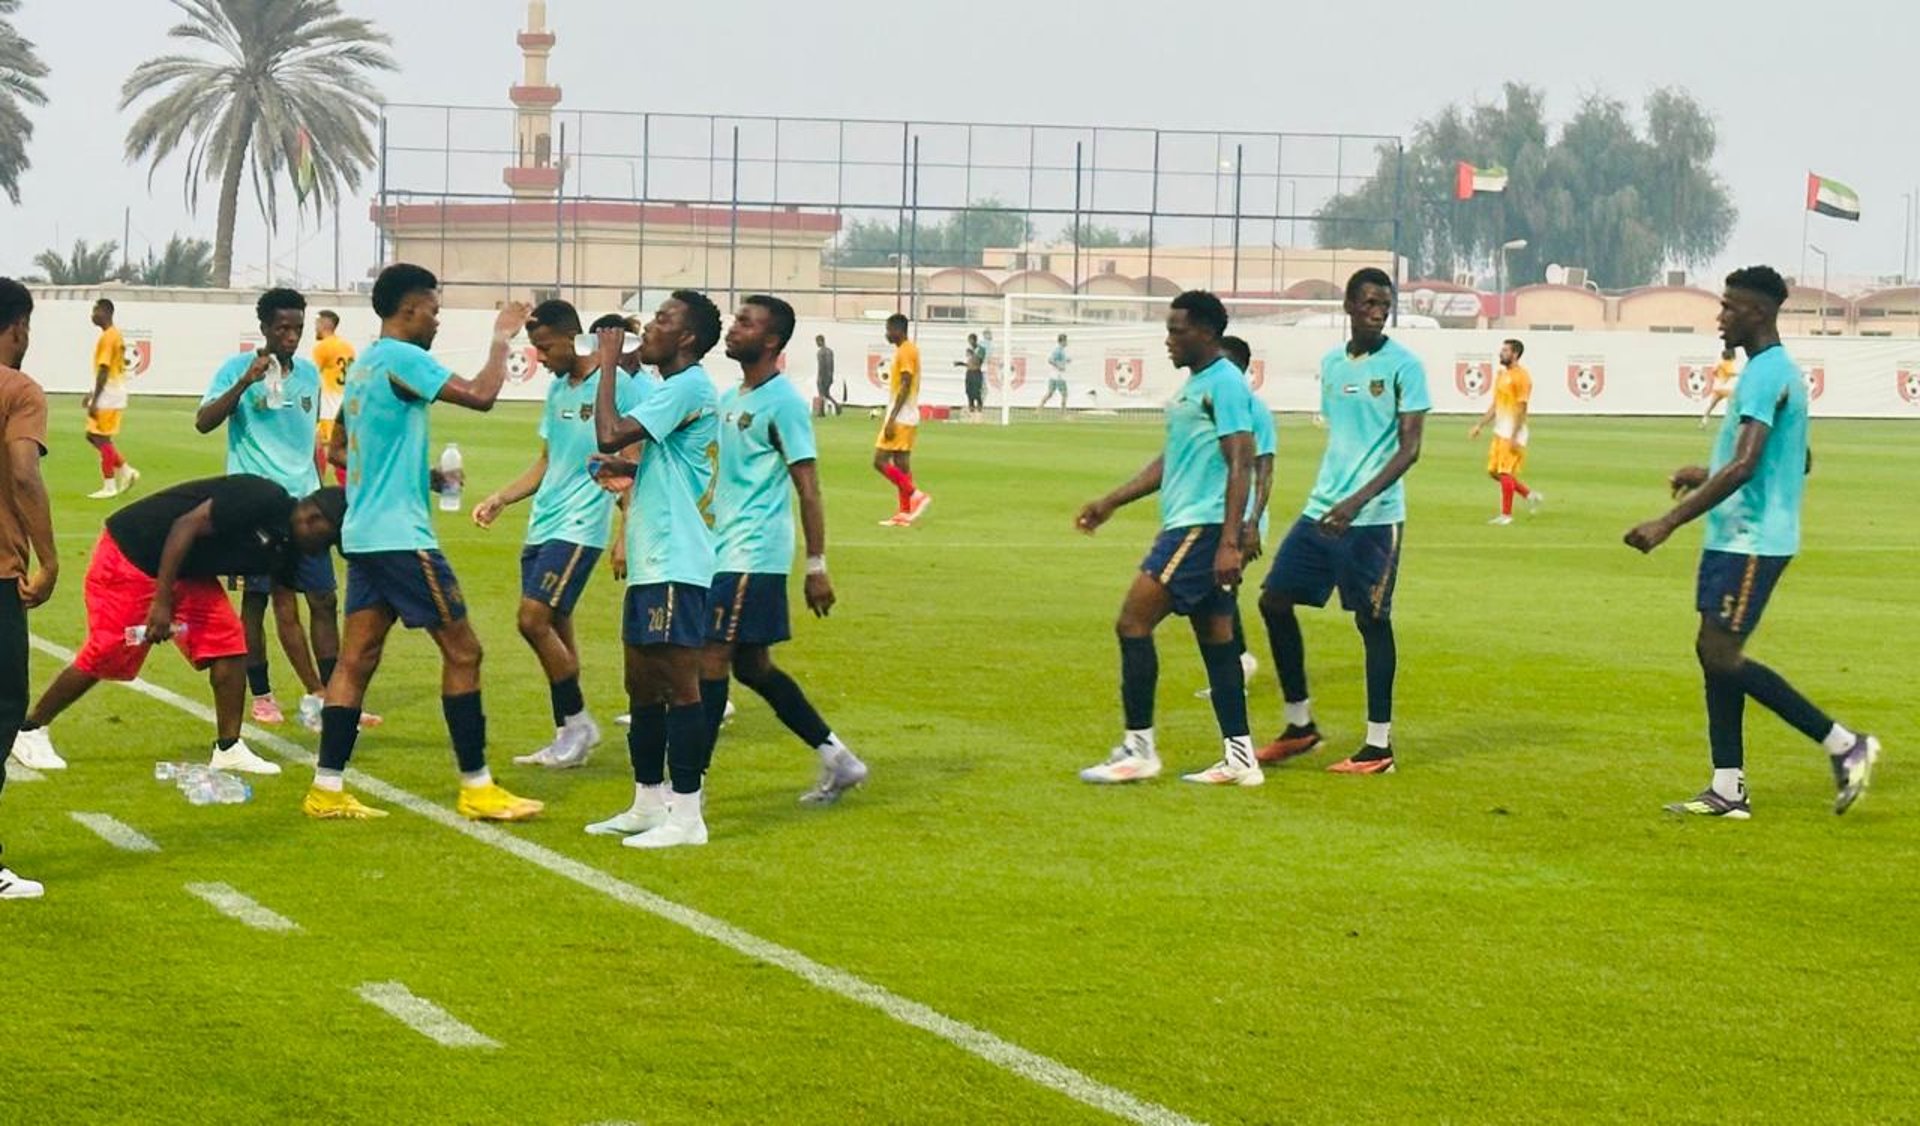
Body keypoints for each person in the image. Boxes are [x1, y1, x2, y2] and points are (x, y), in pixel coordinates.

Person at [1625, 265, 1879, 818]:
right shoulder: (1775, 371)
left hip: (1753, 539)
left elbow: (1745, 467)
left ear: (1757, 313)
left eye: (1729, 307)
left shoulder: (1766, 373)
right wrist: (1705, 469)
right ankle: (1727, 787)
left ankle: (1845, 744)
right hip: (1737, 536)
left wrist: (1666, 524)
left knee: (1721, 654)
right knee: (1711, 654)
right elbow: (1796, 457)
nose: (1720, 318)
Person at [303, 263, 542, 822]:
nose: (437, 320)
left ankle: (326, 788)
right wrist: (501, 337)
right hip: (400, 538)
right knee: (465, 651)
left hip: (362, 532)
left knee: (356, 660)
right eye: (433, 310)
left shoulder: (364, 365)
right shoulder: (404, 358)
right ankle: (477, 785)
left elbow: (340, 451)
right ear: (409, 309)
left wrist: (424, 478)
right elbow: (482, 395)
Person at [11, 475, 343, 779]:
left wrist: (316, 689)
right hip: (135, 551)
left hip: (187, 571)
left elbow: (289, 615)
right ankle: (30, 729)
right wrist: (162, 602)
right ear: (313, 519)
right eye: (328, 539)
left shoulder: (288, 551)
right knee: (110, 649)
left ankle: (229, 749)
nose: (324, 550)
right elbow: (185, 526)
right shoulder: (263, 496)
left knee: (228, 644)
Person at [1075, 290, 1259, 786]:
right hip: (1192, 524)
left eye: (1177, 330)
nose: (1168, 339)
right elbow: (1171, 460)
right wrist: (1112, 500)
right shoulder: (1194, 386)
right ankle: (1241, 758)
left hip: (1199, 529)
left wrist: (1229, 541)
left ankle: (1138, 749)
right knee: (1217, 640)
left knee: (1132, 623)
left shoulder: (1225, 383)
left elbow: (1241, 460)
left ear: (1205, 333)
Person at [1256, 267, 1429, 775]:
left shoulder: (1405, 365)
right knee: (1273, 601)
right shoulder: (1332, 364)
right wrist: (1337, 500)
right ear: (1349, 307)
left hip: (1373, 517)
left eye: (1386, 304)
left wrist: (1356, 502)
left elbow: (1410, 448)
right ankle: (1300, 724)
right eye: (1370, 302)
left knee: (1372, 620)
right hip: (1321, 509)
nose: (1379, 311)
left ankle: (1379, 747)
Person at [701, 295, 869, 804]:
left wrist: (817, 565)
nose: (733, 329)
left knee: (708, 661)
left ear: (770, 340)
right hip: (723, 549)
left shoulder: (784, 403)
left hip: (752, 553)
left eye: (745, 324)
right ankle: (839, 758)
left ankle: (688, 789)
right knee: (752, 667)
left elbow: (809, 488)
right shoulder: (732, 399)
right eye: (735, 320)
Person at [583, 289, 722, 850]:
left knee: (678, 685)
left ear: (686, 338)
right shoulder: (674, 390)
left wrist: (611, 362)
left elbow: (610, 430)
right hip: (652, 555)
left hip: (677, 557)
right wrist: (622, 470)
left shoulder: (689, 384)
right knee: (640, 682)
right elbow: (640, 454)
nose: (651, 327)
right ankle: (647, 803)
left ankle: (687, 815)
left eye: (663, 320)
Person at [196, 288, 354, 734]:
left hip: (304, 509)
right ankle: (263, 695)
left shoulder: (307, 375)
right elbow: (204, 421)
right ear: (263, 327)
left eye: (297, 329)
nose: (290, 336)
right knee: (257, 601)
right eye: (282, 328)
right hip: (253, 509)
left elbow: (308, 442)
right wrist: (245, 381)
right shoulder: (235, 368)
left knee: (323, 600)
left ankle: (331, 695)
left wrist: (321, 491)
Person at [470, 299, 614, 769]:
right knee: (555, 627)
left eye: (546, 347)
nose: (541, 359)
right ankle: (567, 735)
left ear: (572, 338)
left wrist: (626, 531)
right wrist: (501, 498)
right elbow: (547, 461)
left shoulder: (616, 386)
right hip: (545, 523)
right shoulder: (558, 392)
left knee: (532, 619)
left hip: (580, 527)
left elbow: (634, 457)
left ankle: (580, 724)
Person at [0, 278, 57, 900]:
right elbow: (22, 470)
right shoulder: (19, 390)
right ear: (18, 326)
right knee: (1, 713)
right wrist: (48, 559)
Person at [1468, 338, 1543, 525]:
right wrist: (1480, 425)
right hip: (1500, 430)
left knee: (1505, 473)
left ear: (1515, 354)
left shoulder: (1522, 377)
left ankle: (1506, 515)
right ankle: (1530, 495)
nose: (1501, 353)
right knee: (1494, 472)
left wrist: (1515, 435)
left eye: (1505, 351)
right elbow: (1495, 405)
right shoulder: (1501, 375)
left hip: (1512, 431)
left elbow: (1521, 408)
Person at [874, 314, 930, 526]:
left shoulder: (906, 351)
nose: (887, 334)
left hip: (901, 416)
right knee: (901, 465)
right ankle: (904, 514)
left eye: (888, 330)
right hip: (908, 415)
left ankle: (916, 495)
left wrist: (891, 418)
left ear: (898, 330)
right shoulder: (907, 350)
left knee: (879, 461)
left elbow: (905, 384)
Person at [83, 298, 138, 500]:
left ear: (106, 312)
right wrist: (91, 394)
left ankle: (110, 485)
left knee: (100, 437)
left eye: (96, 310)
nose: (93, 315)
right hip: (111, 390)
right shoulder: (113, 335)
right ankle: (125, 470)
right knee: (92, 435)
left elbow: (105, 369)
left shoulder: (108, 337)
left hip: (109, 393)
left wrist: (95, 400)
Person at [312, 309, 354, 485]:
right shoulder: (347, 347)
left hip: (330, 409)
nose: (315, 327)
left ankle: (322, 488)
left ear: (323, 324)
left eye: (316, 324)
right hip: (346, 408)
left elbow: (312, 377)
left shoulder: (322, 347)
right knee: (339, 450)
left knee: (327, 451)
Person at [1699, 347, 1738, 428]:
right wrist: (1739, 374)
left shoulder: (1720, 363)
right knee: (1731, 405)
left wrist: (1719, 377)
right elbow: (1730, 372)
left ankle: (1704, 419)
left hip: (1717, 387)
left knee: (1712, 405)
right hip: (1727, 388)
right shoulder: (1728, 363)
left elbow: (1714, 371)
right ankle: (1730, 423)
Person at [954, 332, 987, 419]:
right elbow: (969, 363)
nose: (970, 342)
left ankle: (979, 411)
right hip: (969, 373)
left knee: (977, 392)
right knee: (969, 392)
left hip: (976, 372)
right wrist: (960, 363)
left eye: (971, 340)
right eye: (969, 341)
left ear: (975, 340)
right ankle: (971, 412)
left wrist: (972, 353)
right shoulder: (969, 350)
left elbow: (978, 361)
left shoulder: (981, 349)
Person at [1040, 332, 1071, 415]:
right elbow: (1050, 360)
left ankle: (1039, 408)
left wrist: (1066, 360)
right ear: (1062, 341)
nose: (1067, 342)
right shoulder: (1058, 350)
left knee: (1050, 393)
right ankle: (1063, 412)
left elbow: (1058, 360)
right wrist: (1059, 366)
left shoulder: (1061, 350)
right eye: (1066, 341)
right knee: (1065, 394)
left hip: (1053, 375)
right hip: (1058, 375)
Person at [814, 334, 839, 417]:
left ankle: (821, 412)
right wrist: (830, 376)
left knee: (821, 394)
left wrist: (820, 377)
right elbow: (831, 365)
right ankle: (837, 406)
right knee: (826, 394)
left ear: (820, 341)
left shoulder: (820, 353)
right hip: (829, 376)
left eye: (817, 342)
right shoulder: (830, 351)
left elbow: (821, 366)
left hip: (822, 376)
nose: (816, 344)